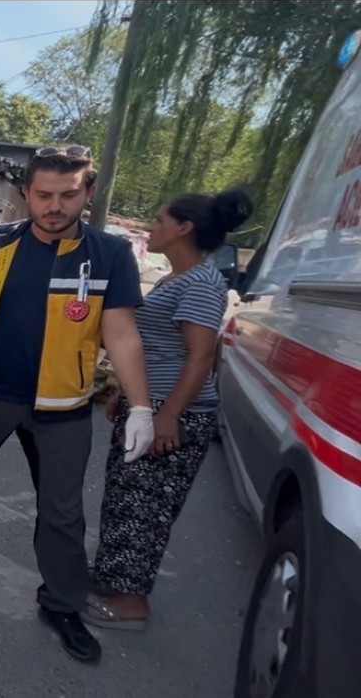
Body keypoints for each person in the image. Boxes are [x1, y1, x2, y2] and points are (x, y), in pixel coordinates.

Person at [0, 145, 155, 665]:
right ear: (26, 193)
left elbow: (122, 333)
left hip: (63, 407)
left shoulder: (110, 255)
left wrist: (141, 407)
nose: (54, 206)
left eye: (68, 195)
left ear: (88, 193)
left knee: (63, 512)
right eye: (43, 195)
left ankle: (61, 602)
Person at [82, 189, 253, 632]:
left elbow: (200, 356)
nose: (152, 229)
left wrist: (169, 413)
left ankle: (130, 604)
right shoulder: (175, 279)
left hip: (173, 414)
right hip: (151, 404)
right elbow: (155, 349)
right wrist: (129, 394)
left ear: (184, 228)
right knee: (125, 501)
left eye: (159, 221)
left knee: (145, 509)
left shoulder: (200, 283)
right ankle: (110, 583)